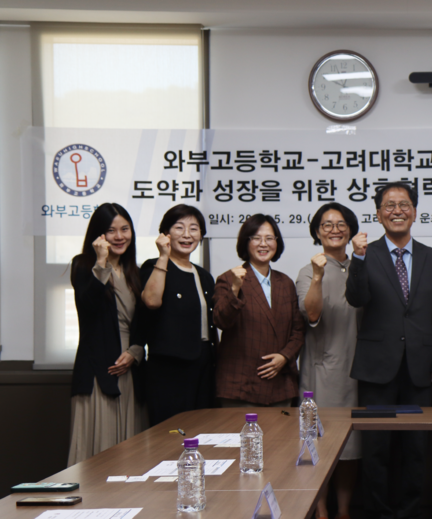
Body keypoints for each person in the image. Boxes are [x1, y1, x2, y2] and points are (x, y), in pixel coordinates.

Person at [346, 182, 432, 519]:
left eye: (404, 204)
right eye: (389, 205)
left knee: (415, 449)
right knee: (376, 449)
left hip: (420, 368)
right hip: (377, 368)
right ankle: (378, 513)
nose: (397, 211)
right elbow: (356, 298)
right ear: (378, 214)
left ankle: (409, 513)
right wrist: (357, 258)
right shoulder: (366, 254)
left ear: (414, 212)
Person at [296, 203, 362, 519]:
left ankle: (344, 511)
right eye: (326, 224)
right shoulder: (308, 271)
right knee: (318, 443)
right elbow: (311, 313)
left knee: (352, 445)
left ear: (350, 230)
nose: (334, 229)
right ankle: (321, 510)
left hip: (359, 371)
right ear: (317, 232)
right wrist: (318, 277)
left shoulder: (362, 266)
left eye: (341, 224)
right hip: (322, 373)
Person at [68, 203, 146, 466]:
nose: (119, 236)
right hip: (98, 368)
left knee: (130, 453)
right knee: (98, 451)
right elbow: (88, 307)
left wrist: (135, 352)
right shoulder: (83, 265)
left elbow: (145, 322)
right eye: (111, 231)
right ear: (99, 235)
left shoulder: (134, 272)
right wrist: (101, 262)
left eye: (125, 229)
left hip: (130, 368)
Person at [213, 214, 304, 407]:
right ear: (246, 242)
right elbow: (221, 321)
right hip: (240, 387)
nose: (263, 244)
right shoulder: (228, 279)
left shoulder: (285, 282)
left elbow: (298, 330)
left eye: (269, 238)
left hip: (280, 385)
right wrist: (235, 289)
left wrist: (284, 356)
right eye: (256, 238)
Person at [137, 204, 216, 426]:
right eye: (179, 227)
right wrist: (163, 256)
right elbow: (151, 301)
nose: (187, 235)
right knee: (170, 432)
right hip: (169, 368)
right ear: (166, 233)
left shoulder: (204, 275)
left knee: (202, 428)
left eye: (194, 228)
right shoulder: (153, 267)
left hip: (204, 363)